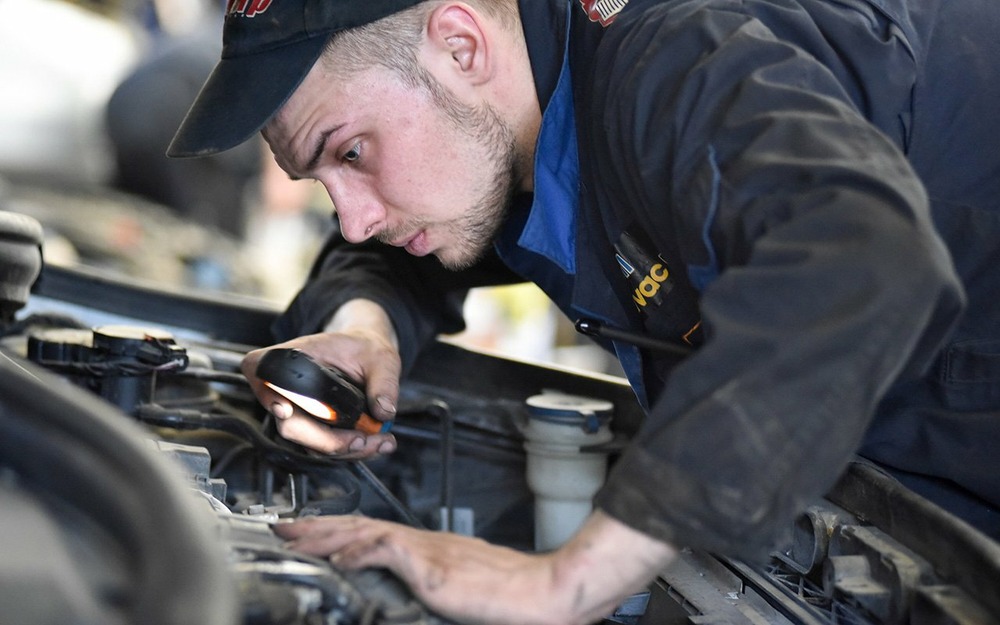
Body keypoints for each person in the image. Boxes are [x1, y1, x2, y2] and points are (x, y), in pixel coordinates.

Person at [167, 0, 1000, 622]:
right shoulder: (521, 113)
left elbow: (862, 262)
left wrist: (565, 582)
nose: (351, 217)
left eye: (352, 152)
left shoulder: (675, 63)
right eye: (322, 180)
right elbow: (389, 254)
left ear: (460, 45)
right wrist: (362, 325)